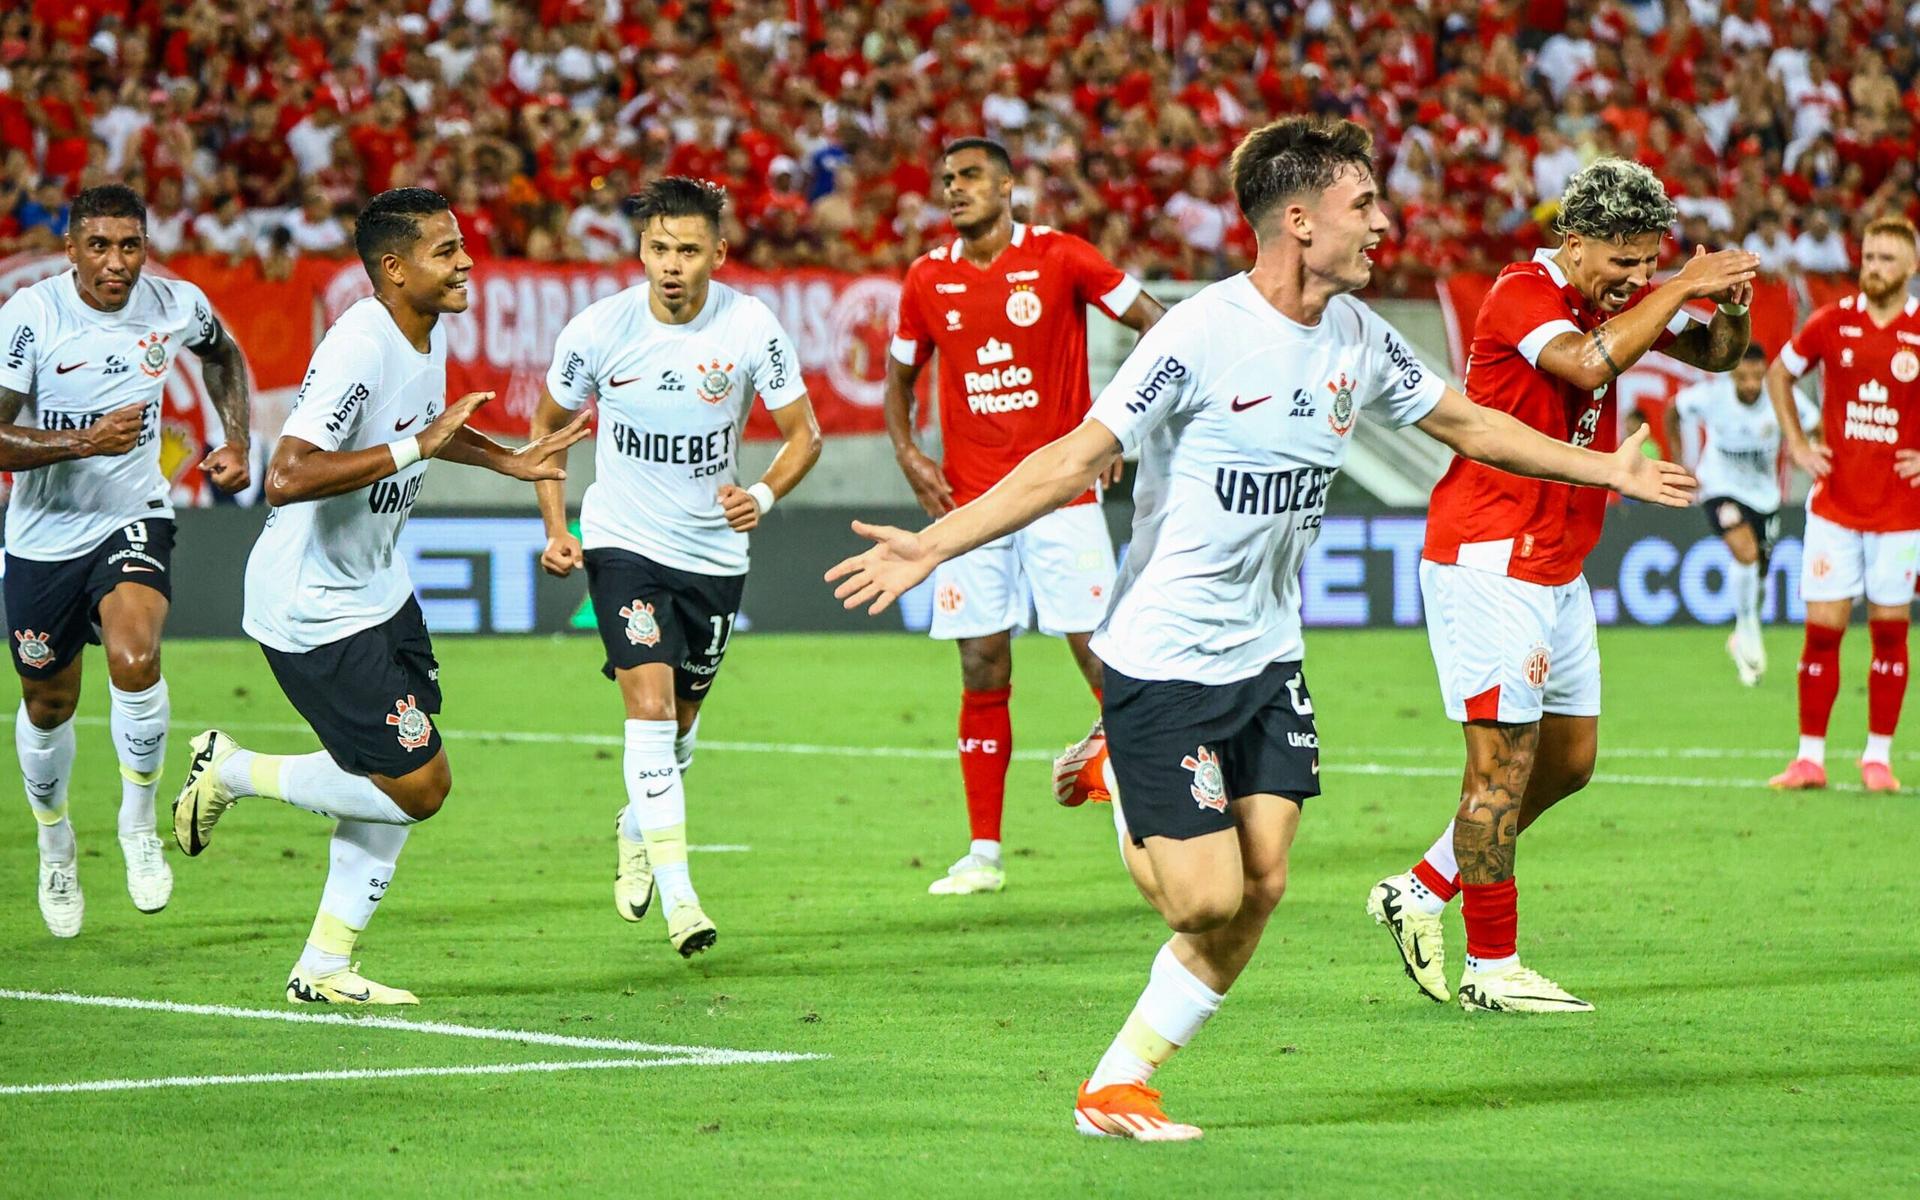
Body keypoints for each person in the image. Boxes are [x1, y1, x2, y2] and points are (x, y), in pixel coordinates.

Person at [827, 117, 1695, 1140]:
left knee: (1265, 879)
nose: (1384, 222)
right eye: (1362, 206)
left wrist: (1607, 468)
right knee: (1203, 901)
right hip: (1162, 659)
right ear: (1298, 222)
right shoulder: (1198, 333)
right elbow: (1070, 460)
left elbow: (1471, 424)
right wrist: (936, 546)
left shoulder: (1359, 338)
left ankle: (1118, 1085)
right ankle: (1115, 765)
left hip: (1270, 656)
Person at [169, 187, 587, 1003]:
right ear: (394, 269)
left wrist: (510, 460)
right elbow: (286, 475)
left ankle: (325, 964)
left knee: (396, 773)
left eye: (462, 245)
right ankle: (233, 770)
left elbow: (429, 424)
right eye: (445, 251)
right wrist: (413, 447)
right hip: (314, 607)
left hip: (378, 588)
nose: (465, 261)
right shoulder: (362, 343)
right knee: (420, 786)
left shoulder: (420, 332)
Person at [1368, 158, 1757, 1014]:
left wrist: (1726, 304)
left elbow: (1719, 356)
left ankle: (1422, 888)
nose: (1638, 280)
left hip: (1558, 562)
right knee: (1498, 769)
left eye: (1651, 263)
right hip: (1489, 554)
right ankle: (1492, 970)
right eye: (1624, 262)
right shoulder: (1520, 293)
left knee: (1570, 762)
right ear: (1573, 243)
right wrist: (1680, 284)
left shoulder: (1619, 303)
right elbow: (1584, 366)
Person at [531, 177, 821, 957]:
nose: (671, 264)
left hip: (715, 554)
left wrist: (760, 493)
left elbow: (806, 435)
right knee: (651, 711)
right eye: (658, 248)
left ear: (717, 254)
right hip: (623, 541)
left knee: (681, 726)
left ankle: (637, 821)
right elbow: (548, 431)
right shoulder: (599, 330)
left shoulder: (752, 327)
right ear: (640, 250)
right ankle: (684, 902)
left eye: (688, 250)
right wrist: (559, 526)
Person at [885, 136, 1163, 896]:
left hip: (1061, 499)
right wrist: (910, 453)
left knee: (1105, 662)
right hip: (970, 507)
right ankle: (983, 853)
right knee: (981, 664)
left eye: (970, 176)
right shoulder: (926, 278)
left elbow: (1159, 325)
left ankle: (1150, 814)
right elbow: (899, 377)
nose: (954, 188)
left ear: (1009, 185)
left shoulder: (1064, 257)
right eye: (946, 179)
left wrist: (1120, 423)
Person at [0, 183, 252, 938]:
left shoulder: (175, 303)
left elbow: (224, 355)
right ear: (72, 249)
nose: (117, 263)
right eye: (100, 246)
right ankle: (55, 843)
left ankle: (139, 826)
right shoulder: (30, 319)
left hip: (132, 516)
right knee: (49, 703)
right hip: (43, 537)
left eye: (130, 246)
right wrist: (81, 442)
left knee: (136, 659)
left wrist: (234, 436)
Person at [1766, 215, 1920, 793]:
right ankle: (1809, 759)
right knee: (1823, 632)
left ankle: (1877, 757)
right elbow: (1781, 374)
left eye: (1885, 258)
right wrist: (1799, 445)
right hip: (1834, 506)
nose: (1873, 267)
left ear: (1911, 267)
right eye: (1869, 256)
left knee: (1889, 633)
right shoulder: (1834, 322)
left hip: (1901, 511)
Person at [1665, 342, 1818, 685]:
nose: (1750, 385)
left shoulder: (1778, 397)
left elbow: (1815, 423)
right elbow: (1673, 410)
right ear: (1733, 373)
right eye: (1743, 377)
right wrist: (1678, 461)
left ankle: (1742, 632)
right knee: (1745, 552)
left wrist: (1805, 448)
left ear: (1764, 374)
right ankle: (1748, 628)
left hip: (1765, 498)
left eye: (1757, 377)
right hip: (1719, 488)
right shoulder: (1713, 396)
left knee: (1760, 575)